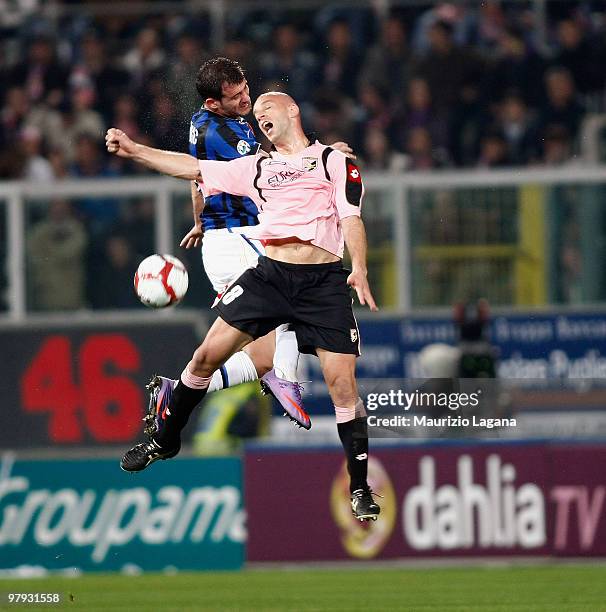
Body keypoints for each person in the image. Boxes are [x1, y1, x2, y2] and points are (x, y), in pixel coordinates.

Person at [106, 91, 381, 521]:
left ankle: (360, 488)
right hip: (270, 275)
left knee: (342, 387)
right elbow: (193, 167)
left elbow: (351, 218)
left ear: (293, 109)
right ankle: (165, 439)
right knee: (204, 357)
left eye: (266, 109)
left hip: (323, 283)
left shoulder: (331, 160)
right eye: (256, 116)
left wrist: (359, 268)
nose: (260, 117)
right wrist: (135, 150)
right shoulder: (258, 167)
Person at [153, 57, 354, 432]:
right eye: (236, 96)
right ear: (214, 103)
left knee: (258, 358)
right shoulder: (227, 134)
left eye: (245, 88)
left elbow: (198, 176)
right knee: (300, 285)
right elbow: (275, 170)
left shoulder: (202, 122)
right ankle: (286, 377)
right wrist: (325, 156)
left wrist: (200, 219)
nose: (246, 99)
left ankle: (176, 391)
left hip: (222, 238)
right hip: (242, 236)